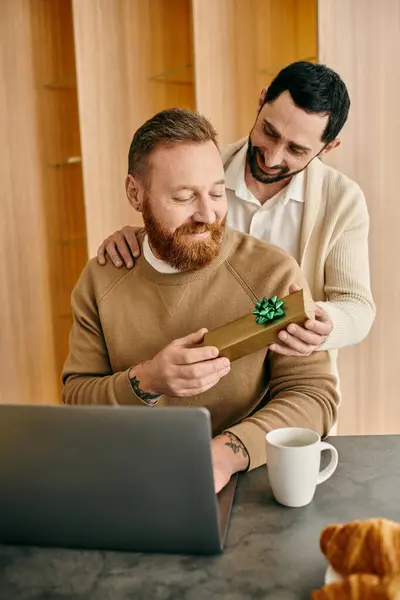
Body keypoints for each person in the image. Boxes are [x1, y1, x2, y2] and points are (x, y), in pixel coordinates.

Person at [63, 108, 338, 494]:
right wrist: (147, 381)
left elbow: (314, 396)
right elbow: (76, 398)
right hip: (131, 478)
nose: (208, 214)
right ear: (135, 194)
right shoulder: (101, 279)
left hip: (246, 483)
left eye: (215, 191)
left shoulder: (272, 272)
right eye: (183, 197)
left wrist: (226, 453)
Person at [97, 61, 375, 360]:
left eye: (296, 150)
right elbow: (172, 240)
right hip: (204, 363)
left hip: (291, 372)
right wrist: (141, 240)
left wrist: (322, 322)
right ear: (260, 102)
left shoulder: (342, 200)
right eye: (269, 132)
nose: (272, 157)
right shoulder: (208, 165)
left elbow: (357, 304)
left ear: (327, 148)